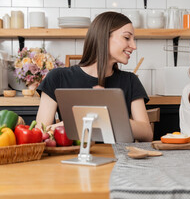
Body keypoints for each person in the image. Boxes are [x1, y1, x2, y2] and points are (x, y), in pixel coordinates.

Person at [36, 11, 153, 142]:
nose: (134, 46)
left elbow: (147, 133)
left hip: (119, 159)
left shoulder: (130, 80)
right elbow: (41, 132)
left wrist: (110, 117)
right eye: (127, 38)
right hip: (74, 158)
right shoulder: (57, 78)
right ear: (103, 37)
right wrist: (82, 120)